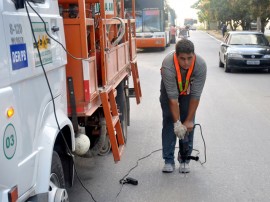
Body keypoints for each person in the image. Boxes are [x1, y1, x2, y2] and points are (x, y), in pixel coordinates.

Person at [160, 39, 207, 173]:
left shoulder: (200, 65)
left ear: (194, 55)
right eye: (182, 59)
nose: (186, 62)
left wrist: (189, 120)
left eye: (189, 58)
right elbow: (173, 99)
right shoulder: (168, 65)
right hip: (169, 92)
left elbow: (196, 96)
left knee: (188, 124)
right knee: (170, 121)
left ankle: (185, 159)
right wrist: (177, 124)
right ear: (176, 55)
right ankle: (168, 160)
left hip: (188, 91)